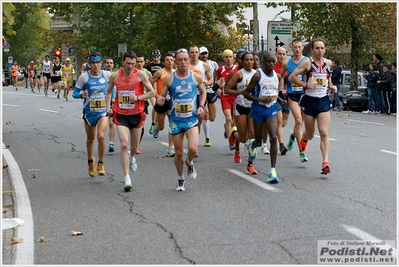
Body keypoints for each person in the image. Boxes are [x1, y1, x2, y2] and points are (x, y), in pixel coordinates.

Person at [156, 48, 206, 191]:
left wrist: (201, 105)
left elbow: (203, 93)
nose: (183, 62)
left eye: (185, 59)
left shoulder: (195, 77)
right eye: (180, 59)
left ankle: (189, 162)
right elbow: (162, 95)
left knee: (192, 149)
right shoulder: (169, 78)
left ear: (189, 61)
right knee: (178, 152)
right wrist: (160, 99)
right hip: (176, 120)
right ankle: (180, 179)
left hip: (191, 119)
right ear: (175, 62)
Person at [105, 51, 155, 192]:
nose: (130, 66)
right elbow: (108, 92)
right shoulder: (115, 76)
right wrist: (108, 106)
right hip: (120, 114)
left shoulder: (140, 74)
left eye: (133, 64)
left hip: (136, 114)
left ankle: (132, 157)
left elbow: (152, 92)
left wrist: (138, 98)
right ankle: (127, 178)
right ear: (122, 62)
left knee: (133, 148)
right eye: (128, 63)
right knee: (124, 145)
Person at [289, 38, 337, 175]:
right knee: (310, 134)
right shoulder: (307, 63)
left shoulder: (328, 63)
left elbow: (327, 78)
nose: (320, 51)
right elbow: (292, 77)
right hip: (309, 100)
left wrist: (332, 87)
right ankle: (304, 139)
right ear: (312, 50)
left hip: (323, 100)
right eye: (317, 48)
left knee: (324, 132)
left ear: (325, 50)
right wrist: (306, 85)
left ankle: (325, 162)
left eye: (322, 48)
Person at [243, 52, 283, 183]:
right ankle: (253, 146)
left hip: (271, 109)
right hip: (258, 109)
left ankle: (272, 171)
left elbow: (274, 93)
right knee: (259, 141)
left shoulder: (277, 76)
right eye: (268, 61)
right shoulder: (257, 75)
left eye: (273, 61)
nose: (271, 64)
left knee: (273, 137)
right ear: (263, 62)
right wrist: (260, 99)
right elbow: (246, 94)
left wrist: (281, 100)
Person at [72, 52, 112, 178]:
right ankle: (90, 160)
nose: (95, 65)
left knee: (101, 136)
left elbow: (113, 89)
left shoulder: (107, 75)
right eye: (93, 63)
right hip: (89, 112)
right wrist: (80, 95)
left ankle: (100, 163)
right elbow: (74, 93)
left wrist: (112, 102)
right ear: (89, 64)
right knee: (91, 139)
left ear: (101, 63)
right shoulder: (84, 77)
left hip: (102, 112)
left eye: (98, 62)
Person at [224, 52, 257, 174]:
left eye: (251, 60)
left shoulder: (257, 74)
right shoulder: (239, 74)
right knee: (243, 138)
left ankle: (250, 164)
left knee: (252, 134)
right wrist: (240, 92)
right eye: (247, 60)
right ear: (242, 62)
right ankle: (234, 134)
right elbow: (226, 89)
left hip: (253, 107)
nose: (249, 62)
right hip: (241, 106)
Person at [280, 38, 309, 162]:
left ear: (302, 48)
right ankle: (302, 152)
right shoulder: (287, 63)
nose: (297, 49)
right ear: (291, 48)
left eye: (299, 47)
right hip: (292, 95)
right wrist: (280, 91)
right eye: (295, 47)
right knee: (298, 121)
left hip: (305, 94)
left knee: (302, 123)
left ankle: (292, 136)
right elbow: (281, 76)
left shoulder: (307, 61)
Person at [149, 53, 176, 157]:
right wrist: (155, 94)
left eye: (171, 60)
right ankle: (156, 126)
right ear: (164, 62)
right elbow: (150, 83)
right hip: (161, 101)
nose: (169, 61)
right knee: (161, 127)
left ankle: (170, 148)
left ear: (174, 62)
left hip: (172, 102)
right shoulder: (160, 72)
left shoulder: (176, 73)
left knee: (172, 125)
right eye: (167, 60)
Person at [188, 45, 214, 150]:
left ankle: (195, 144)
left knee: (199, 119)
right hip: (188, 95)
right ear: (189, 53)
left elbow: (211, 79)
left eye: (195, 52)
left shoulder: (204, 65)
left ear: (198, 53)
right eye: (192, 52)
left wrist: (207, 82)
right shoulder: (185, 64)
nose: (194, 54)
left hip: (201, 94)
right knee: (190, 119)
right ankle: (192, 142)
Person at [215, 49, 239, 149]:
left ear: (233, 58)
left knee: (234, 121)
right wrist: (218, 89)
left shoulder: (237, 68)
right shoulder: (220, 70)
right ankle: (231, 141)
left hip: (235, 96)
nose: (228, 59)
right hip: (225, 96)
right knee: (229, 118)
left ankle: (227, 128)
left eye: (230, 57)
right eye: (226, 57)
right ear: (223, 58)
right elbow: (216, 80)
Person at [199, 46, 219, 147]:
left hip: (212, 91)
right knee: (205, 114)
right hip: (202, 91)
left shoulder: (213, 64)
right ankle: (207, 138)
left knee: (212, 117)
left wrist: (217, 84)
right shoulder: (198, 65)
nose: (204, 55)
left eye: (205, 53)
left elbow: (219, 75)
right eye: (202, 53)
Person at [135, 54, 153, 154]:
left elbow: (151, 87)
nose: (139, 64)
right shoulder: (131, 72)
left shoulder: (148, 73)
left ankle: (137, 144)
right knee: (133, 124)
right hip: (132, 100)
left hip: (143, 99)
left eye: (141, 61)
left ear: (144, 62)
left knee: (142, 119)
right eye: (137, 61)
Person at [274, 47, 290, 155]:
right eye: (280, 54)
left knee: (283, 123)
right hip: (275, 97)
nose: (282, 56)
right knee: (279, 121)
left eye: (284, 54)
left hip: (288, 97)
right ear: (276, 54)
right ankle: (281, 145)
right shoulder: (273, 67)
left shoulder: (290, 67)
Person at [147, 49, 165, 135]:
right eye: (154, 57)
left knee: (159, 109)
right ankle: (153, 124)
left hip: (161, 89)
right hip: (152, 89)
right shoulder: (149, 66)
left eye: (157, 57)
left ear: (160, 57)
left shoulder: (163, 66)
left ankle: (157, 125)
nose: (156, 58)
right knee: (155, 105)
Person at [103, 57, 116, 153]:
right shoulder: (101, 75)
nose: (109, 64)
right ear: (104, 64)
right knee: (103, 124)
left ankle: (111, 143)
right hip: (101, 101)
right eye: (107, 63)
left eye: (111, 63)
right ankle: (101, 141)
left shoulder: (116, 75)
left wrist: (115, 97)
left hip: (113, 101)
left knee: (111, 123)